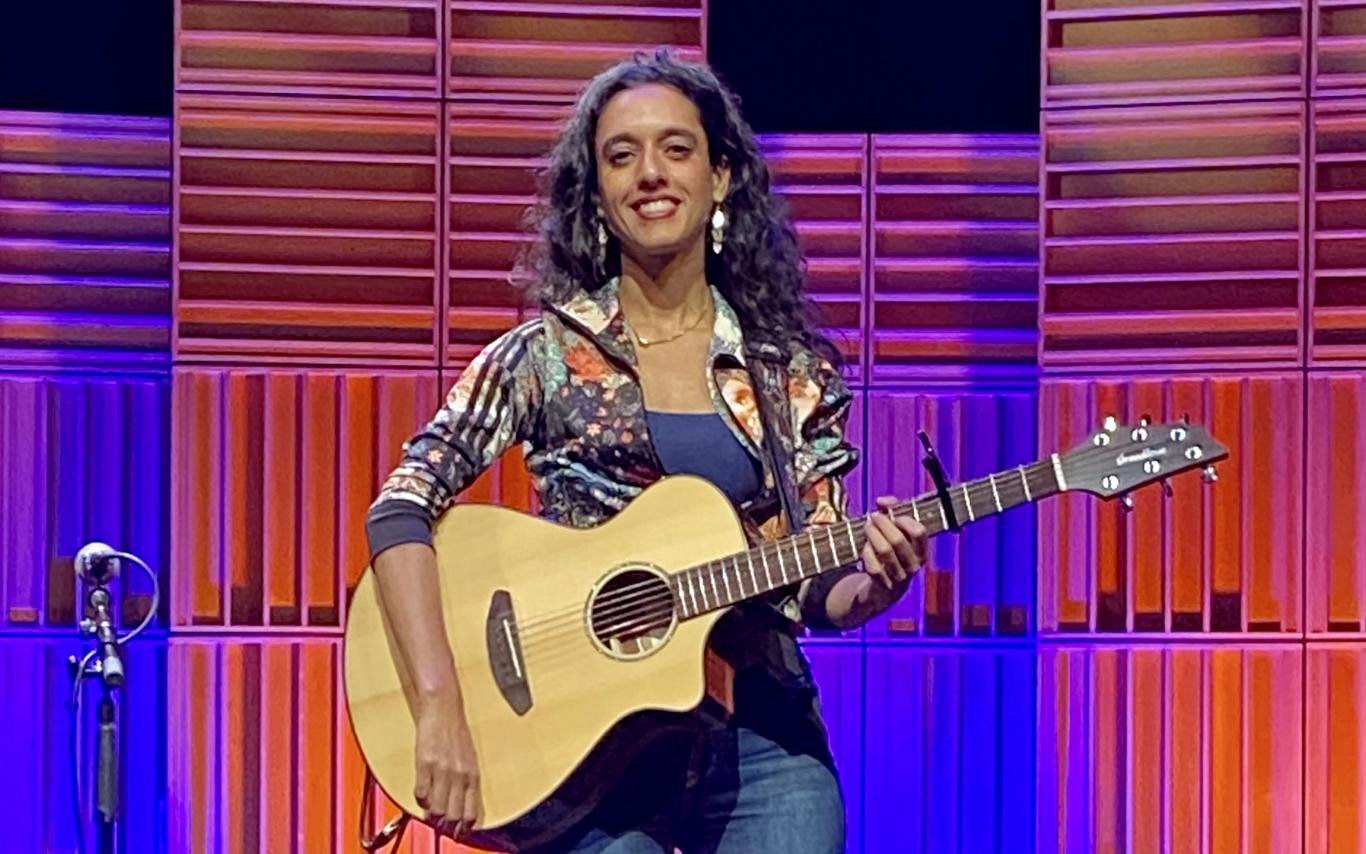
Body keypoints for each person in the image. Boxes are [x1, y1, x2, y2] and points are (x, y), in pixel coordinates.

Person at [364, 49, 928, 854]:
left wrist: (878, 579)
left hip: (758, 735)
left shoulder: (789, 371)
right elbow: (400, 510)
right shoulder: (545, 355)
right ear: (596, 193)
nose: (650, 174)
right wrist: (439, 704)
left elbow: (816, 589)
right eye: (621, 156)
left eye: (676, 148)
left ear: (721, 175)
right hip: (582, 756)